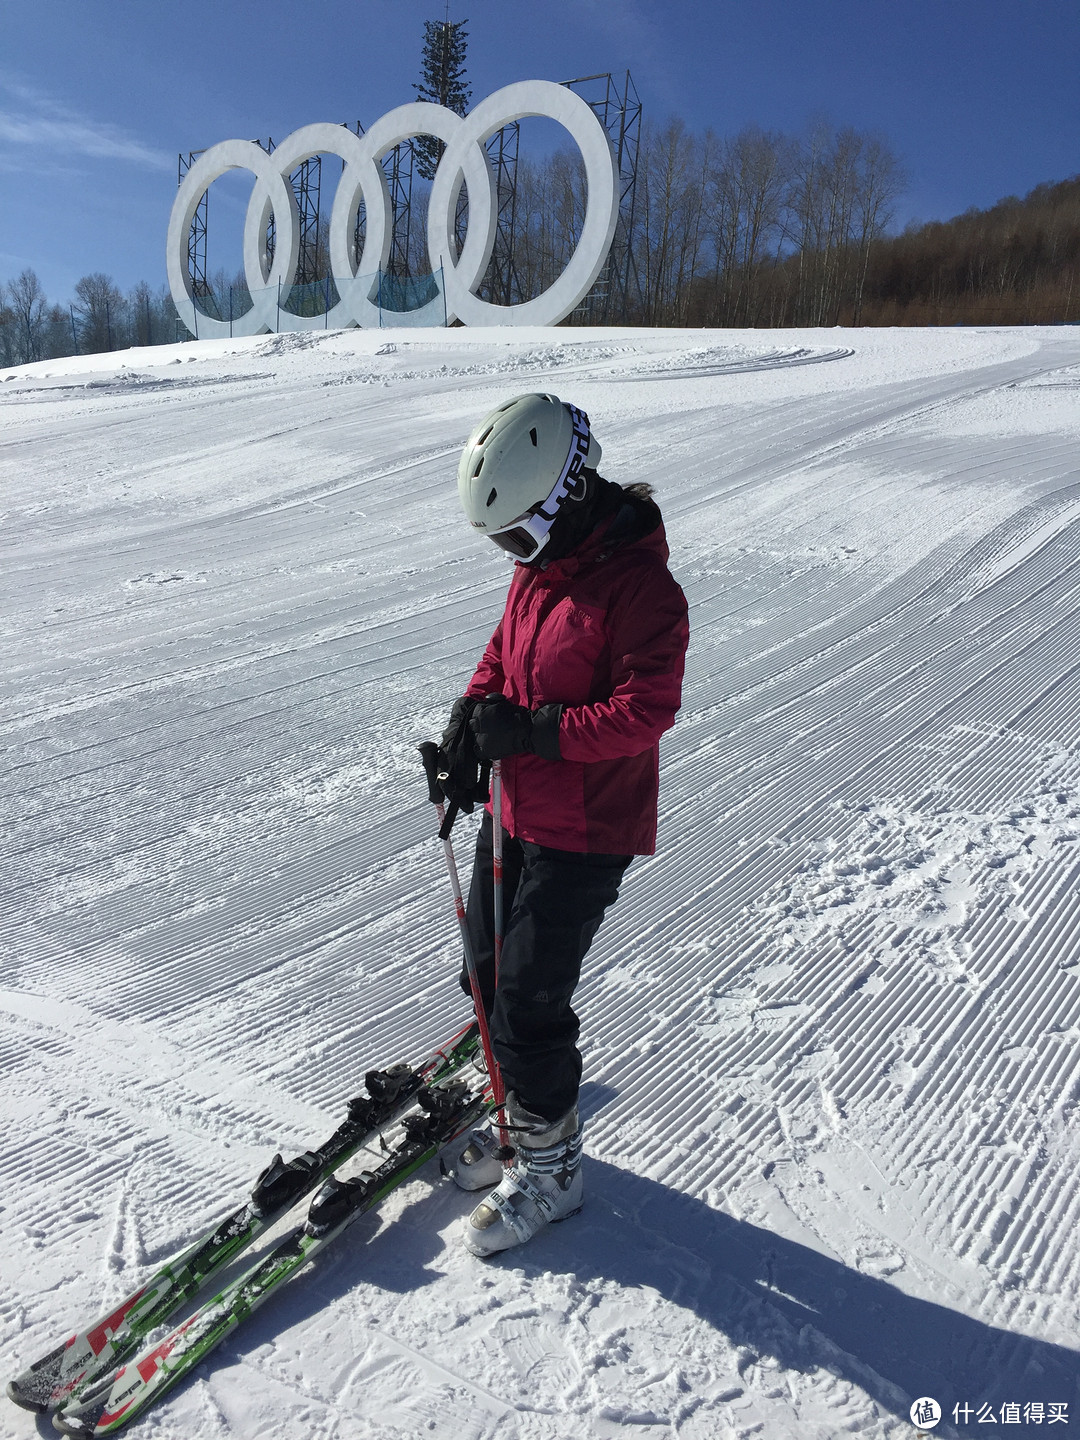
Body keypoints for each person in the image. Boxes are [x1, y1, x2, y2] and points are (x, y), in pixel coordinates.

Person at [434, 392, 689, 1257]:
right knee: (485, 977)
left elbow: (645, 709)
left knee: (528, 1003)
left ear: (564, 496)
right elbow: (505, 651)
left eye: (514, 537)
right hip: (515, 806)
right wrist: (471, 722)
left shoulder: (643, 588)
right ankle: (518, 1123)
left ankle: (553, 1172)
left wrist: (534, 733)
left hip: (586, 826)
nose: (510, 555)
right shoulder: (543, 565)